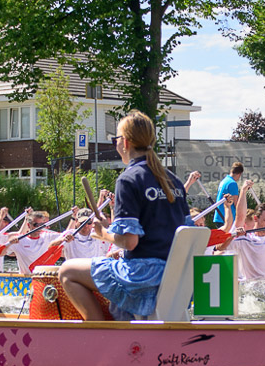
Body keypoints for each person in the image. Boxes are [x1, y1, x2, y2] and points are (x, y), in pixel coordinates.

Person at [56, 110, 189, 320]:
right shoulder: (175, 181)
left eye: (115, 139)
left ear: (124, 142)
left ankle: (99, 333)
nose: (116, 143)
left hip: (142, 274)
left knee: (67, 271)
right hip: (175, 274)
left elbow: (130, 242)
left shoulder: (128, 179)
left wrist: (103, 233)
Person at [210, 162, 242, 226]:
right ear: (239, 174)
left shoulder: (224, 181)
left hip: (219, 215)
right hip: (226, 217)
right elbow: (236, 203)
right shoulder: (232, 183)